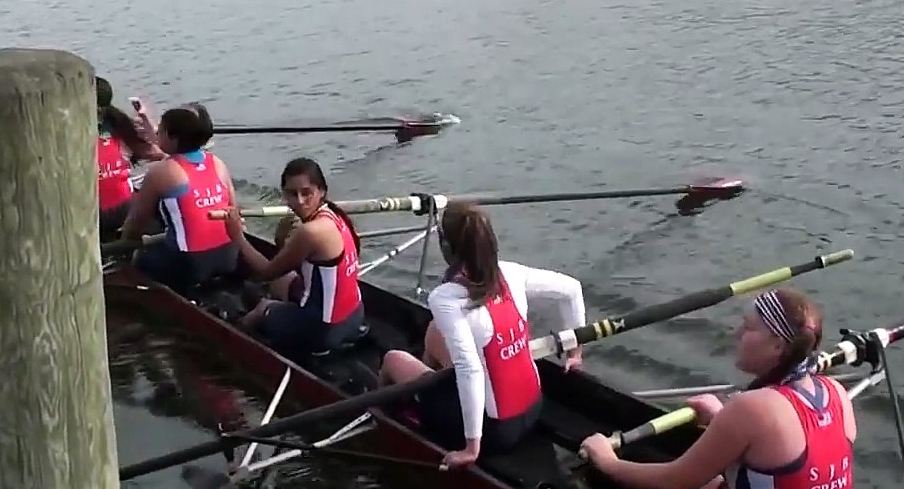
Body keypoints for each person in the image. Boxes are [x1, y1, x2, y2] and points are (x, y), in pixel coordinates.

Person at [377, 202, 586, 470]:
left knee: (393, 360)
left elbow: (470, 370)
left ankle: (384, 419)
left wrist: (470, 449)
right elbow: (572, 290)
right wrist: (575, 352)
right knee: (434, 333)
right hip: (534, 408)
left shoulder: (446, 297)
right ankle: (430, 392)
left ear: (447, 249)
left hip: (495, 433)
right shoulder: (510, 273)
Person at [579, 288, 856, 489]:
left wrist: (607, 461)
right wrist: (720, 419)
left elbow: (675, 480)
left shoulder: (752, 408)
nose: (737, 334)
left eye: (748, 328)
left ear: (777, 345)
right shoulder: (836, 393)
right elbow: (780, 451)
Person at [222, 158, 365, 359]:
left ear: (321, 191)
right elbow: (306, 266)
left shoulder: (311, 232)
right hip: (355, 314)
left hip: (324, 329)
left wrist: (237, 235)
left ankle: (233, 341)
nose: (299, 201)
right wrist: (282, 242)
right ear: (284, 194)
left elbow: (265, 272)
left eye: (306, 193)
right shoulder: (336, 215)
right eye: (292, 194)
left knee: (262, 306)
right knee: (282, 281)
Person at [120, 105, 238, 296]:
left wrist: (125, 246)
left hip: (190, 263)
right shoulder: (217, 163)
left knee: (139, 258)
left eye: (161, 131)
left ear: (173, 138)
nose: (157, 134)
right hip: (230, 256)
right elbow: (234, 211)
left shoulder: (161, 172)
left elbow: (135, 223)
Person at [96, 77, 164, 241]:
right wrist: (148, 125)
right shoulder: (120, 125)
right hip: (127, 207)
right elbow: (161, 154)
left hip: (97, 214)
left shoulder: (69, 133)